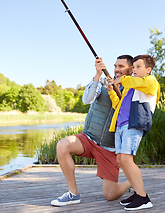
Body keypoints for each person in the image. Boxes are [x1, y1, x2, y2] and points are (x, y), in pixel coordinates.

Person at [51, 55, 133, 207]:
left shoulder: (133, 90)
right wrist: (97, 75)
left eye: (121, 66)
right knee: (63, 145)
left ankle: (130, 182)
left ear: (131, 69)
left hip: (109, 148)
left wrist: (116, 87)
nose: (116, 69)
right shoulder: (101, 81)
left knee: (110, 195)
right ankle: (73, 194)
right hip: (88, 138)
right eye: (115, 66)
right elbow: (87, 100)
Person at [107, 55, 160, 211]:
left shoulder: (150, 81)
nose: (134, 70)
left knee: (127, 160)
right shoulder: (131, 86)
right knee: (121, 160)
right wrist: (111, 90)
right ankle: (137, 193)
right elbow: (119, 105)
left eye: (138, 67)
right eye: (134, 67)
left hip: (134, 125)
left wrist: (122, 79)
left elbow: (143, 85)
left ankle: (143, 198)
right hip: (121, 126)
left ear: (148, 70)